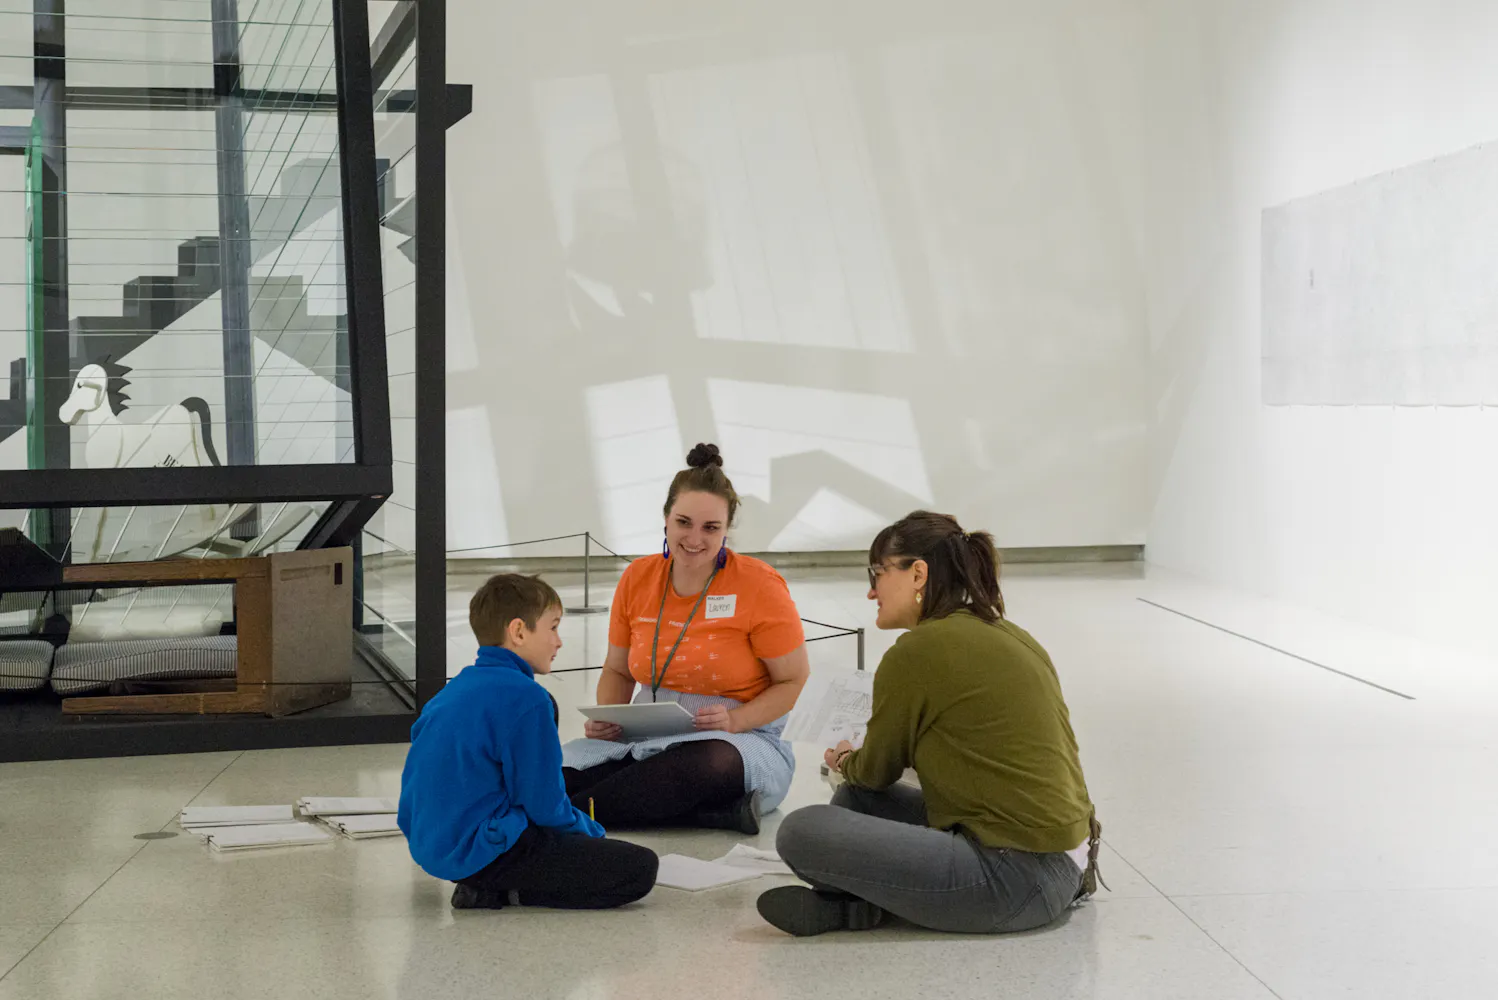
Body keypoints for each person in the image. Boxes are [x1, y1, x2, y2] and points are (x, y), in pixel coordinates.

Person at [758, 511, 1103, 937]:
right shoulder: (1009, 632)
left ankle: (858, 905)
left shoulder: (918, 650)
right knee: (856, 803)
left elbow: (873, 772)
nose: (870, 592)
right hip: (1063, 865)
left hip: (1012, 882)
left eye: (878, 573)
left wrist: (846, 758)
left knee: (800, 831)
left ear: (917, 573)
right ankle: (861, 907)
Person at [561, 443, 811, 834]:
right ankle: (709, 814)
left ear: (727, 530)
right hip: (646, 731)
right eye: (684, 522)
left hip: (737, 736)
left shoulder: (759, 584)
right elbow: (617, 670)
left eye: (711, 528)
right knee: (561, 773)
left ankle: (553, 823)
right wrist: (608, 717)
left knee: (700, 765)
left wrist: (735, 719)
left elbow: (792, 680)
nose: (695, 538)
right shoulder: (637, 578)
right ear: (665, 520)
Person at [398, 574, 658, 911]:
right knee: (639, 868)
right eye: (553, 628)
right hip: (485, 850)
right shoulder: (529, 699)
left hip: (431, 845)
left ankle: (488, 880)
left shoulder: (453, 689)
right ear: (519, 632)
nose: (559, 642)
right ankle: (499, 890)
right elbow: (544, 804)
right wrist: (591, 832)